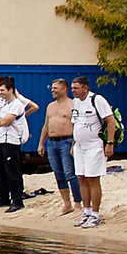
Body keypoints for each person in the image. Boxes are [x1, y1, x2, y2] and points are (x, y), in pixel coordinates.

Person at [68, 77, 118, 227]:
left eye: (76, 88)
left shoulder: (97, 100)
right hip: (79, 147)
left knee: (92, 179)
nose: (73, 91)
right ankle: (86, 211)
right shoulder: (75, 102)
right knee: (81, 178)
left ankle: (96, 214)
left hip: (94, 145)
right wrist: (73, 144)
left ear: (85, 88)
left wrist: (110, 143)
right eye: (72, 88)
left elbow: (111, 121)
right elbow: (75, 124)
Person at [0, 75, 31, 213]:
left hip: (12, 141)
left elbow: (6, 121)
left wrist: (0, 122)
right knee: (0, 171)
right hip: (1, 140)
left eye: (2, 90)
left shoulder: (17, 104)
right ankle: (3, 198)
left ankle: (17, 200)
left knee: (13, 171)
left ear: (10, 90)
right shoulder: (3, 104)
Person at [42, 79, 79, 216]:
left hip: (66, 141)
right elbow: (46, 125)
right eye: (52, 88)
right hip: (52, 142)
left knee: (70, 173)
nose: (52, 90)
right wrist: (41, 143)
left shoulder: (72, 105)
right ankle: (66, 204)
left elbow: (76, 126)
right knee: (58, 174)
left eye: (55, 88)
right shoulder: (50, 106)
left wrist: (74, 144)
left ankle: (77, 203)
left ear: (64, 89)